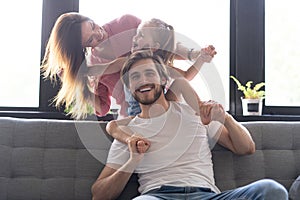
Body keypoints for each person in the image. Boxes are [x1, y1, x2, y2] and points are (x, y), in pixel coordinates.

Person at [91, 50, 288, 200]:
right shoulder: (128, 132)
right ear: (128, 86)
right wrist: (133, 160)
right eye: (135, 77)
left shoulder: (194, 113)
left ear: (163, 79)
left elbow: (246, 148)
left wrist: (225, 118)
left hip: (207, 195)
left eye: (149, 73)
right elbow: (99, 194)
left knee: (271, 190)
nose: (143, 81)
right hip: (159, 196)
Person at [40, 12, 215, 119]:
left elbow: (163, 44)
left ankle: (202, 113)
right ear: (82, 46)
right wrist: (76, 80)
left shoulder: (126, 24)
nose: (98, 34)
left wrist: (197, 55)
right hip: (135, 116)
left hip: (164, 107)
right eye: (90, 39)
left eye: (93, 25)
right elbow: (103, 107)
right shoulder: (113, 63)